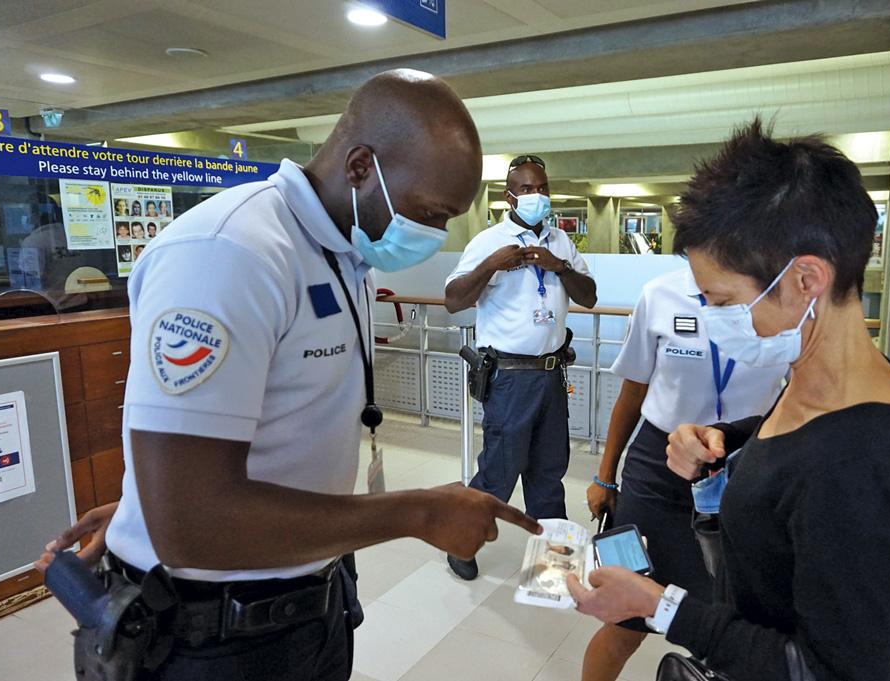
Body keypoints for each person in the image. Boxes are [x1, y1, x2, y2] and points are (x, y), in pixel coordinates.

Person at [37, 69, 541, 681]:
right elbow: (189, 523)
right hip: (210, 641)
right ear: (360, 166)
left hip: (308, 602)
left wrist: (142, 500)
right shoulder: (231, 253)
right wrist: (417, 513)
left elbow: (254, 437)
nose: (433, 235)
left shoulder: (341, 250)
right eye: (429, 212)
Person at [567, 120, 890, 681]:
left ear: (806, 279)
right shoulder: (831, 380)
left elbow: (830, 672)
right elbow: (796, 446)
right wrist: (733, 439)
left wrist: (659, 606)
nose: (713, 318)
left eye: (723, 300)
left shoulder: (858, 466)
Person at [581, 261, 788, 681]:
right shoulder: (660, 294)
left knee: (731, 619)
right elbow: (633, 391)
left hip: (745, 467)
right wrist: (606, 476)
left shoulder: (785, 303)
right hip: (658, 469)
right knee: (626, 624)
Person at [443, 154, 597, 580]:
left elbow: (589, 296)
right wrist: (491, 265)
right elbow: (454, 299)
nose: (537, 196)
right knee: (498, 473)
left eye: (542, 188)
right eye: (527, 189)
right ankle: (461, 541)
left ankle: (555, 563)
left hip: (551, 374)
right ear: (508, 196)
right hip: (508, 378)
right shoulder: (489, 240)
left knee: (549, 474)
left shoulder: (561, 242)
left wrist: (559, 267)